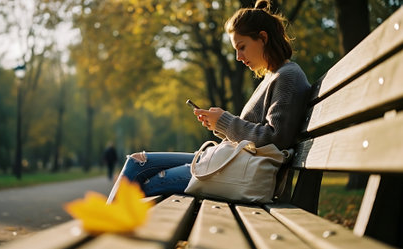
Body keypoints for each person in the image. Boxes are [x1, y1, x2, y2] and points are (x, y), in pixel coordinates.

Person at [107, 0, 310, 203]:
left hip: (240, 172)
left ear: (263, 38)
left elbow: (276, 139)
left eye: (242, 47)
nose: (238, 57)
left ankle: (103, 228)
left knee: (144, 184)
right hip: (229, 163)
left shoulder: (288, 76)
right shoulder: (274, 76)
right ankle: (106, 226)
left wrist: (225, 121)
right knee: (137, 162)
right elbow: (255, 136)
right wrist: (219, 125)